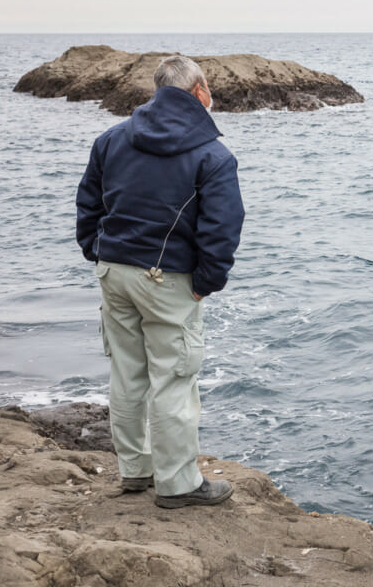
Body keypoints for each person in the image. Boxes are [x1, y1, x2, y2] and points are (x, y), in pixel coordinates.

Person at [76, 55, 244, 509]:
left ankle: (135, 470)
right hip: (167, 279)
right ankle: (178, 485)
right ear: (198, 91)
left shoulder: (112, 138)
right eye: (209, 89)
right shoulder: (212, 154)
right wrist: (205, 283)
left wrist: (98, 251)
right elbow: (223, 227)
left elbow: (88, 203)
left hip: (114, 271)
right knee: (173, 378)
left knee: (127, 373)